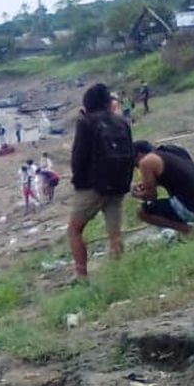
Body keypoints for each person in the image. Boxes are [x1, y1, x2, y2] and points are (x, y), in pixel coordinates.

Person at [68, 83, 135, 278]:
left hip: (93, 186)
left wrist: (79, 183)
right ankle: (117, 271)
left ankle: (81, 275)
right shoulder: (122, 122)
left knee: (74, 229)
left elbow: (78, 157)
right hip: (119, 184)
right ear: (108, 102)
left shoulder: (86, 122)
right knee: (114, 232)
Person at [132, 140, 194, 236]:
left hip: (193, 209)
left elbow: (151, 196)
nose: (138, 168)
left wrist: (136, 194)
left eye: (135, 165)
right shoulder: (173, 151)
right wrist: (148, 183)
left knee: (142, 212)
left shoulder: (146, 162)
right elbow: (178, 176)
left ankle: (187, 230)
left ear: (139, 155)